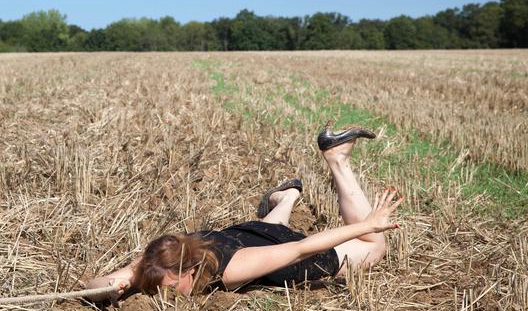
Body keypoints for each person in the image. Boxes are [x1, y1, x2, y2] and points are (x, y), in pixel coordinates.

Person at [85, 124, 404, 301]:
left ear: (192, 271)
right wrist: (112, 285)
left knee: (373, 245)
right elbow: (95, 284)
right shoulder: (159, 260)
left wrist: (371, 224)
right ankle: (287, 197)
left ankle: (337, 160)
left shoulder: (233, 269)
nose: (163, 296)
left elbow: (302, 248)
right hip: (251, 234)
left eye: (170, 289)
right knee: (266, 230)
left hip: (282, 254)